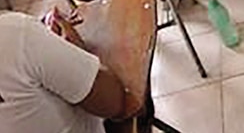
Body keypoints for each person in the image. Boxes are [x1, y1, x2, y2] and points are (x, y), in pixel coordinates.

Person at [0, 9, 143, 133]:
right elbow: (114, 104)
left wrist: (47, 43)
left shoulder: (16, 34)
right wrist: (77, 49)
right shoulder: (14, 33)